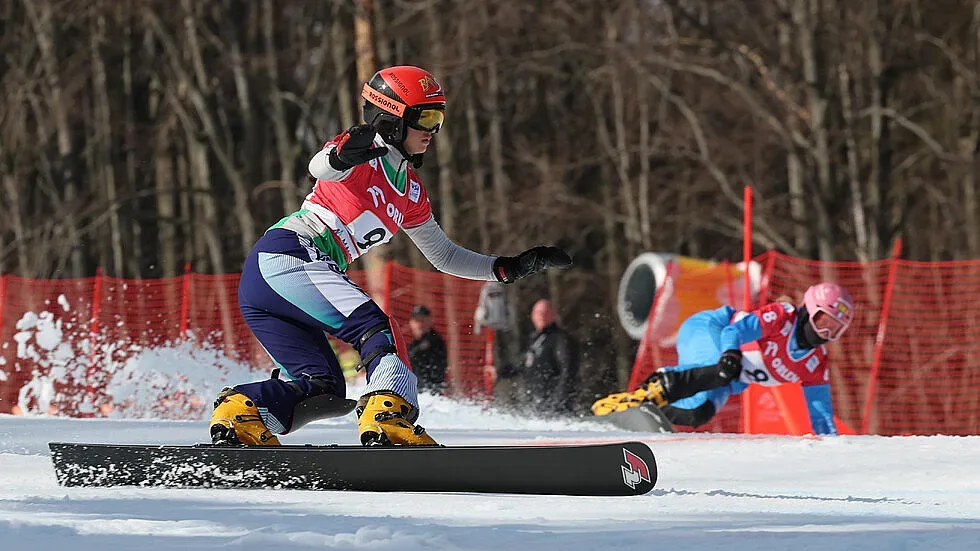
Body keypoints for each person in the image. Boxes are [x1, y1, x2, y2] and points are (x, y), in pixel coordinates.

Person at [210, 65, 572, 447]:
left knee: (324, 390)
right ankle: (388, 416)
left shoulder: (410, 192)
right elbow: (321, 167)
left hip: (277, 280)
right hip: (290, 257)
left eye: (440, 118)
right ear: (394, 118)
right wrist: (347, 152)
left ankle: (244, 412)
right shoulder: (363, 154)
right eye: (427, 118)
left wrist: (509, 268)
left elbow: (444, 256)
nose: (433, 131)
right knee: (378, 328)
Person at [592, 282, 855, 435]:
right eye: (823, 321)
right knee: (722, 370)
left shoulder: (815, 362)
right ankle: (641, 396)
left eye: (834, 329)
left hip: (728, 374)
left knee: (698, 413)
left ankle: (636, 414)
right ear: (809, 310)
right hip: (709, 328)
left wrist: (832, 448)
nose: (825, 332)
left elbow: (821, 415)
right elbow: (734, 330)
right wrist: (729, 353)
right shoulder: (783, 317)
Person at [491, 299, 579, 416]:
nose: (541, 316)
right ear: (532, 316)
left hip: (554, 404)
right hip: (535, 402)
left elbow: (568, 370)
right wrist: (499, 372)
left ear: (553, 315)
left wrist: (559, 399)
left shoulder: (560, 339)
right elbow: (523, 364)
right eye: (538, 313)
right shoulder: (536, 339)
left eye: (545, 313)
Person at [407, 305, 448, 394]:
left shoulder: (434, 340)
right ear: (411, 323)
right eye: (417, 320)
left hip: (430, 392)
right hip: (418, 391)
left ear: (430, 321)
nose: (419, 324)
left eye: (423, 320)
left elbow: (411, 356)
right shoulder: (414, 344)